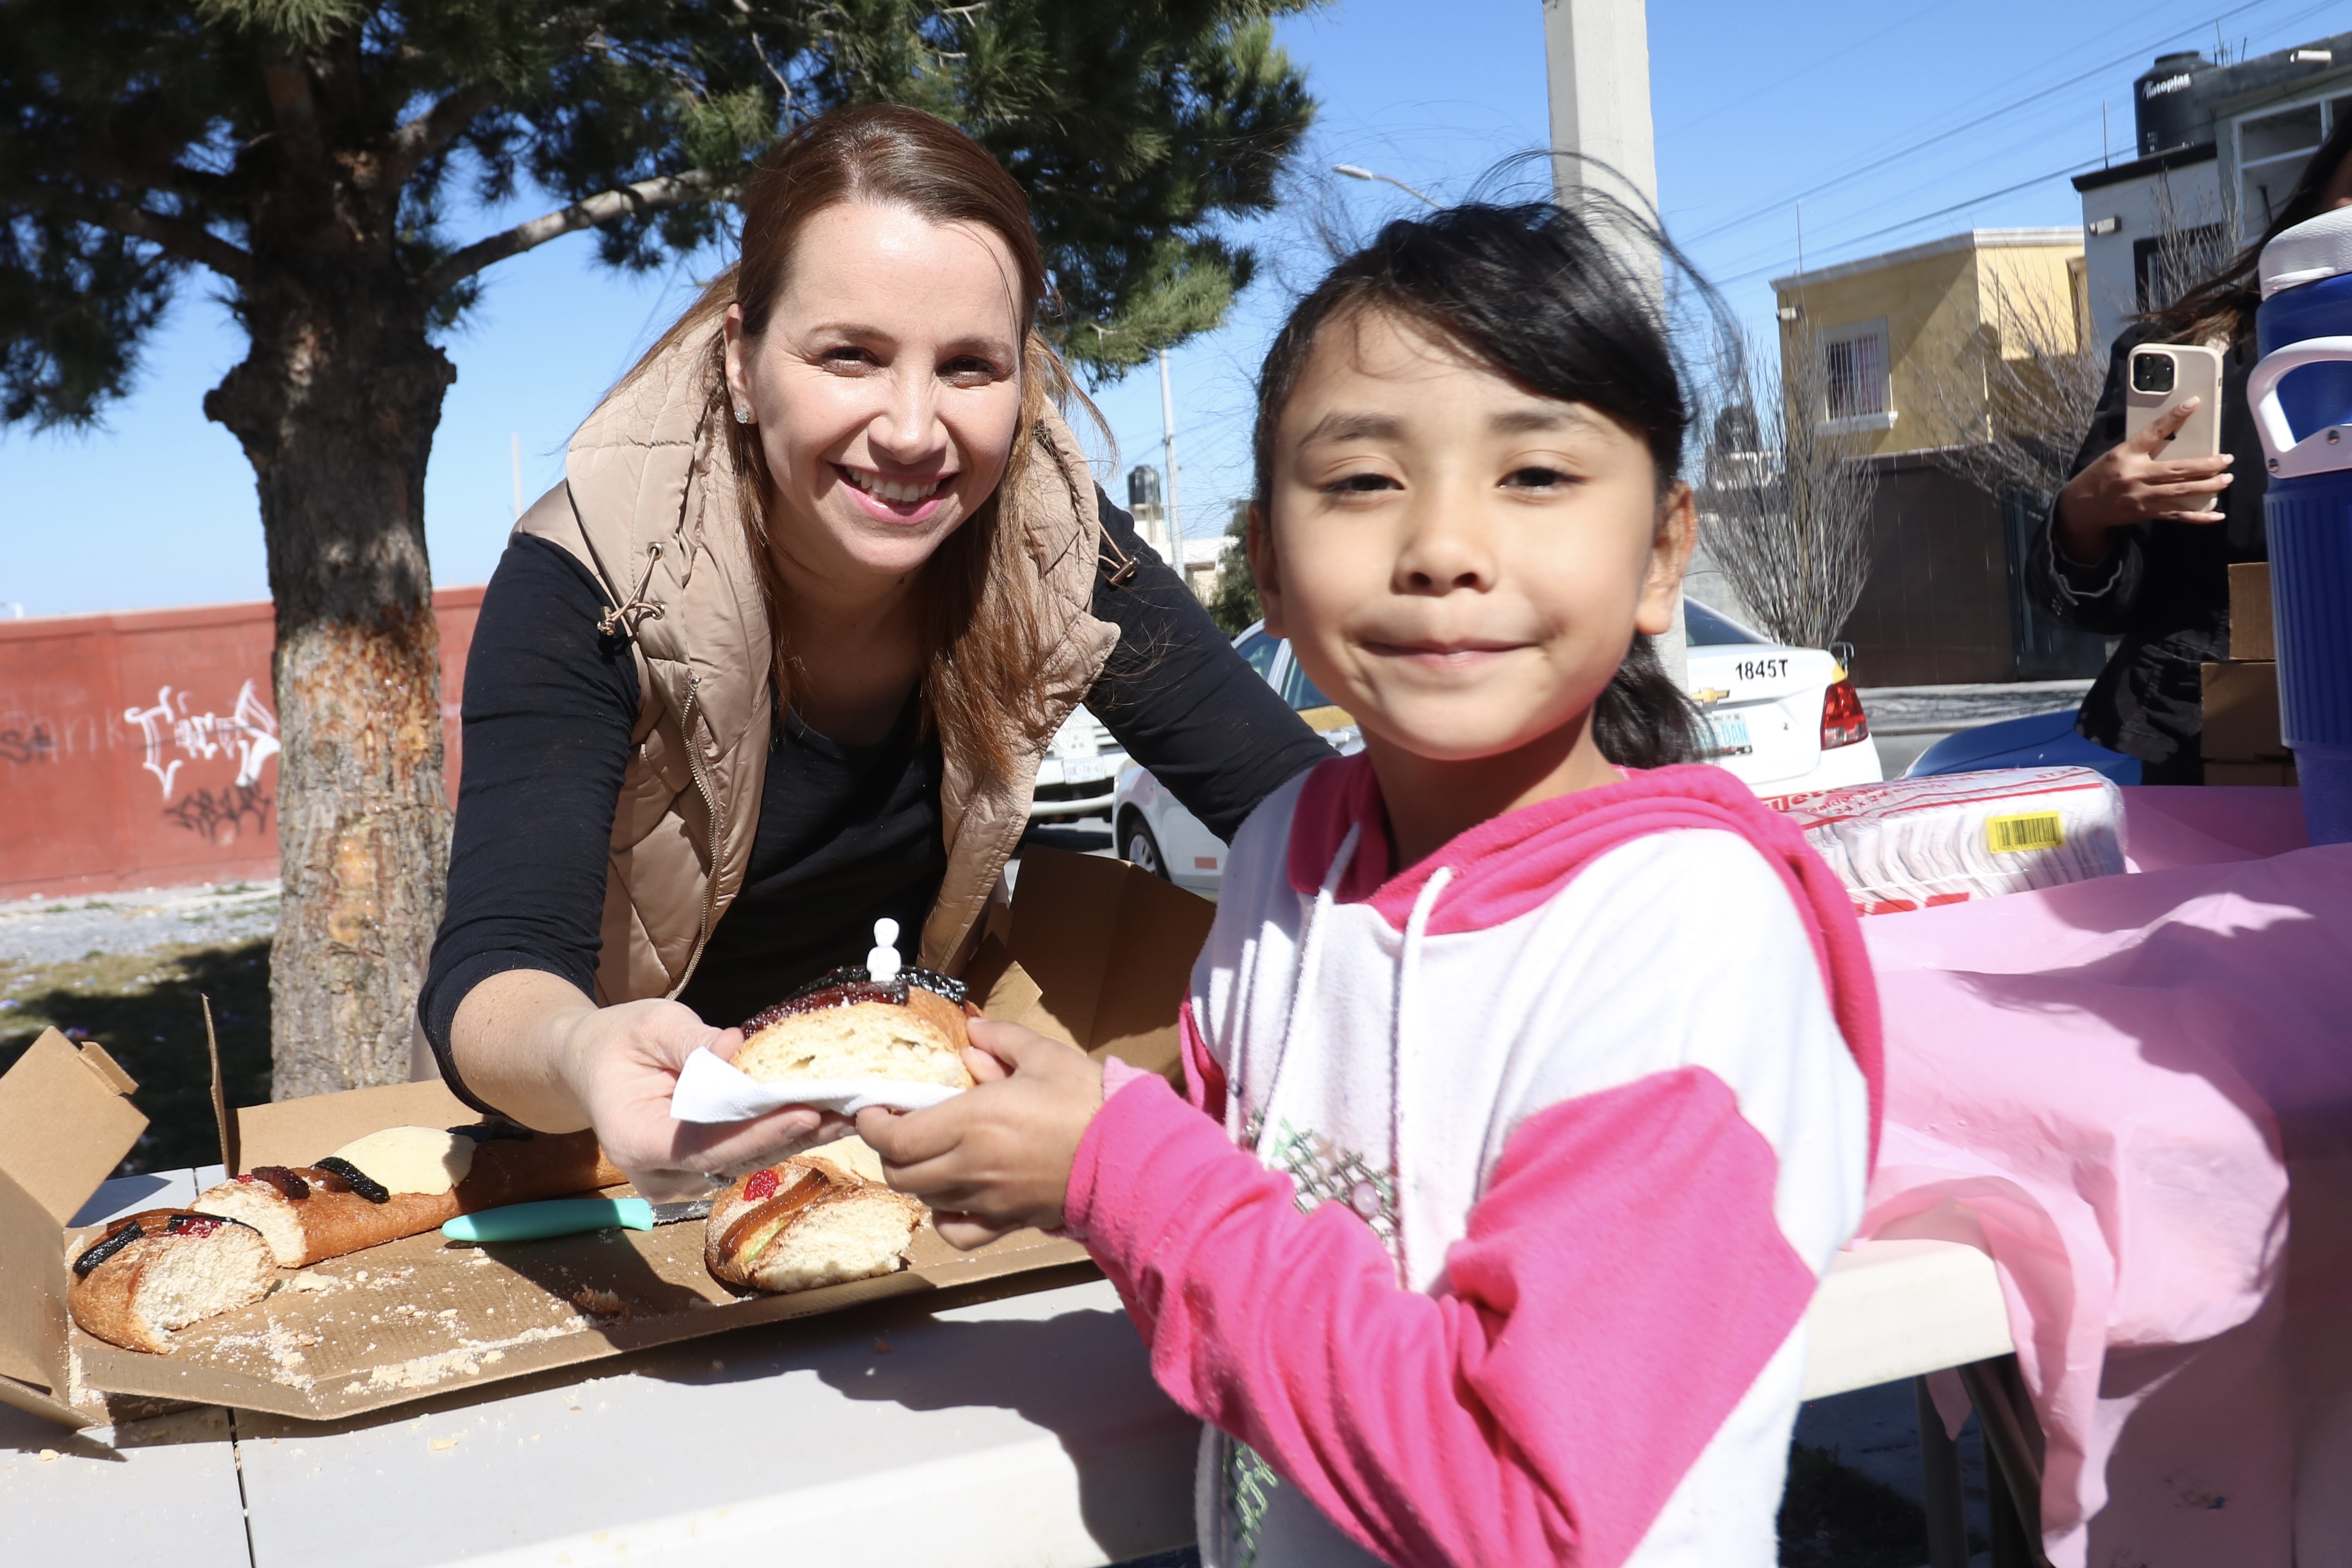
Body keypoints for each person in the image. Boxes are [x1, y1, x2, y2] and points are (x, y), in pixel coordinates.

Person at [858, 201, 1884, 1566]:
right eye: (1358, 482)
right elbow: (1243, 1235)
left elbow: (1529, 1511)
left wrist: (1116, 1172)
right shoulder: (1290, 850)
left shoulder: (1683, 943)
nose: (1443, 547)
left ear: (1658, 555)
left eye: (1533, 475)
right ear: (1267, 576)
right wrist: (1055, 1170)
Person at [420, 104, 1332, 1198]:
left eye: (968, 367)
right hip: (619, 1160)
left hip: (899, 1145)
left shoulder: (1052, 540)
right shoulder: (594, 575)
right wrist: (580, 1053)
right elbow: (495, 974)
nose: (911, 429)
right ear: (745, 365)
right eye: (850, 356)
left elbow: (1310, 816)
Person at [2032, 113, 2352, 782]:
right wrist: (2083, 518)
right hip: (2219, 746)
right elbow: (2115, 601)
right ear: (2316, 198)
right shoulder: (2196, 358)